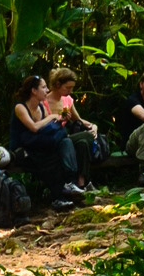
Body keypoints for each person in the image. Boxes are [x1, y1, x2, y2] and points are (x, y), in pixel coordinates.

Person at [8, 75, 86, 204]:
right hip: (23, 150)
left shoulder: (41, 107)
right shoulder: (20, 107)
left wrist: (60, 119)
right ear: (34, 90)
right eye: (43, 87)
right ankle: (58, 197)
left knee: (65, 142)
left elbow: (48, 129)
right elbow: (34, 128)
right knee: (51, 159)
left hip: (39, 145)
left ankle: (69, 183)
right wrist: (52, 117)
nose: (47, 90)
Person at [48, 66, 98, 190]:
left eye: (72, 88)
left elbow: (78, 120)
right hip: (52, 137)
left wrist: (93, 126)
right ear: (58, 84)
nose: (70, 91)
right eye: (67, 87)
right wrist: (60, 119)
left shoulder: (67, 100)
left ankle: (82, 182)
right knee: (87, 136)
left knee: (83, 143)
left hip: (66, 138)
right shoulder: (45, 101)